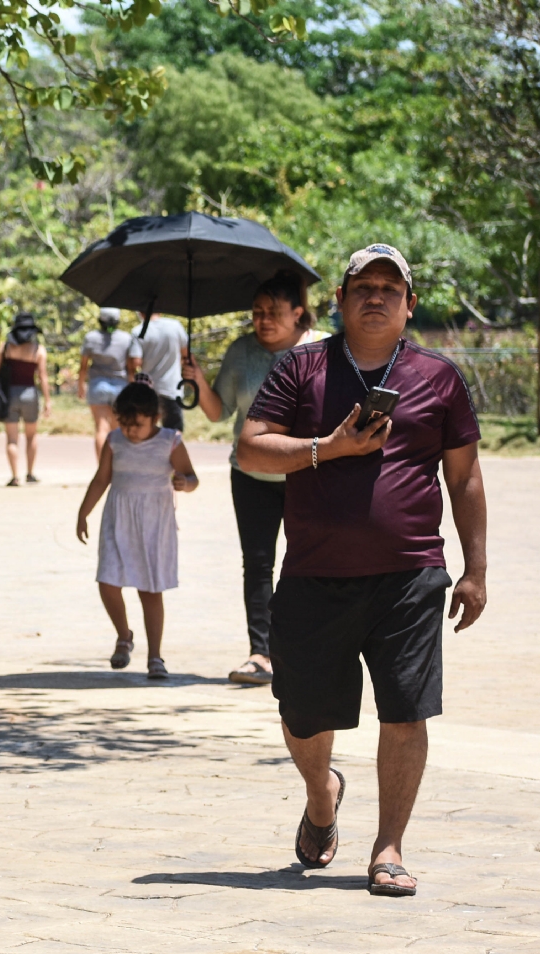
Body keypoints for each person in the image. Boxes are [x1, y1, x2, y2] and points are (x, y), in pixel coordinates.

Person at [238, 244, 488, 897]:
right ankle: (323, 795)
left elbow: (464, 479)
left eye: (389, 287)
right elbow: (251, 446)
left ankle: (388, 848)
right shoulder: (301, 368)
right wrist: (331, 447)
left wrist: (475, 567)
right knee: (303, 712)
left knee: (406, 710)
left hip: (410, 574)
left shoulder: (438, 377)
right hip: (315, 574)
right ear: (342, 301)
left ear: (409, 303)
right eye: (362, 287)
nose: (375, 296)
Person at [182, 271, 326, 687]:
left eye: (274, 312)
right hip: (251, 475)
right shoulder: (240, 352)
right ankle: (261, 653)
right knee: (259, 564)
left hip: (309, 473)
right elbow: (217, 412)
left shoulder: (321, 349)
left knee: (310, 563)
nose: (263, 320)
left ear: (298, 313)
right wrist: (197, 380)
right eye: (257, 312)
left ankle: (307, 649)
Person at [75, 380, 198, 681]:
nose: (130, 430)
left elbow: (192, 476)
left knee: (150, 590)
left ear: (154, 417)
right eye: (125, 423)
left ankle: (155, 656)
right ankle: (123, 635)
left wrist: (185, 482)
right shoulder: (115, 441)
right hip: (118, 521)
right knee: (107, 581)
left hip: (154, 525)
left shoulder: (170, 440)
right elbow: (101, 479)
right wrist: (83, 512)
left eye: (138, 424)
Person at [0, 311, 51, 486]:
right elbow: (43, 377)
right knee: (31, 436)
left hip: (10, 395)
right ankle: (30, 474)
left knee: (11, 438)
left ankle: (15, 476)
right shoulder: (38, 350)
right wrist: (48, 400)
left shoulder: (6, 347)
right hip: (30, 394)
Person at [78, 307, 138, 458]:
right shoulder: (126, 338)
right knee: (118, 429)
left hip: (98, 385)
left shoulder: (91, 337)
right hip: (121, 387)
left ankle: (102, 468)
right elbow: (131, 366)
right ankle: (117, 464)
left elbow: (83, 365)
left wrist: (80, 384)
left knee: (101, 428)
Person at [133, 311, 189, 431]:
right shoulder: (175, 326)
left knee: (145, 431)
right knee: (174, 433)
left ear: (140, 312)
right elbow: (186, 354)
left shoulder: (139, 331)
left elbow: (135, 362)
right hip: (172, 387)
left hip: (147, 390)